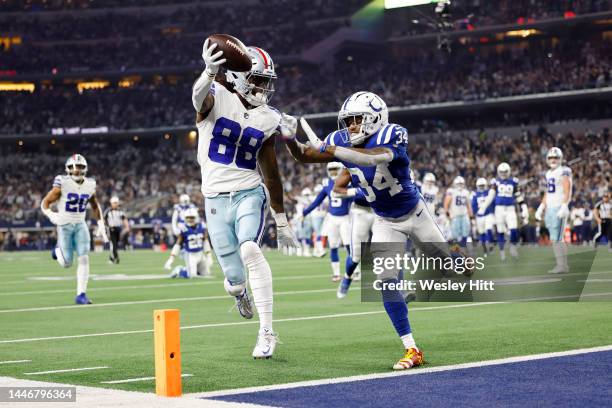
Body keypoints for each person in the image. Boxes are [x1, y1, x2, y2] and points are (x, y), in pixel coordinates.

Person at [281, 91, 469, 370]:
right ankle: (411, 348)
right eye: (348, 121)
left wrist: (332, 150)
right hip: (384, 219)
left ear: (375, 119)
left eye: (357, 120)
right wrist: (289, 140)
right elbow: (305, 156)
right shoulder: (341, 140)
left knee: (453, 266)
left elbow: (371, 159)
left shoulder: (392, 134)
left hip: (415, 214)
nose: (351, 127)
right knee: (384, 279)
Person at [192, 38, 298, 358]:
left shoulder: (268, 117)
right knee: (235, 279)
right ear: (239, 75)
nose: (264, 88)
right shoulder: (218, 95)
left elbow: (271, 171)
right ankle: (239, 293)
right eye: (258, 80)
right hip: (214, 197)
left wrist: (281, 219)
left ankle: (267, 332)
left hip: (249, 192)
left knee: (251, 249)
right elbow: (198, 101)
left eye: (267, 81)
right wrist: (209, 73)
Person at [40, 154, 109, 304]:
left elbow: (95, 205)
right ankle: (57, 250)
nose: (76, 170)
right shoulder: (62, 182)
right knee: (66, 263)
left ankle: (81, 295)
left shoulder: (90, 184)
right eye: (72, 167)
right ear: (68, 169)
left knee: (84, 258)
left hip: (80, 224)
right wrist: (52, 215)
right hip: (64, 225)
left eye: (79, 167)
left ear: (85, 168)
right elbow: (44, 203)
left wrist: (101, 224)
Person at [302, 162, 354, 281]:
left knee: (348, 247)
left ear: (341, 169)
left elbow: (358, 197)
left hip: (346, 218)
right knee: (333, 247)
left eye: (336, 169)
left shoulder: (349, 182)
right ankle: (336, 274)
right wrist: (305, 212)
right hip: (332, 218)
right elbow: (317, 201)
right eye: (331, 169)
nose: (334, 172)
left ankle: (354, 271)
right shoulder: (327, 183)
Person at [479, 163, 528, 261]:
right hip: (499, 209)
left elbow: (518, 195)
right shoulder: (495, 182)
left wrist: (524, 207)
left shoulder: (513, 181)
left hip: (510, 208)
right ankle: (502, 251)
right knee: (500, 230)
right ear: (498, 172)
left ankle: (513, 247)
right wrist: (483, 207)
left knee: (513, 229)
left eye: (505, 172)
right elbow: (491, 195)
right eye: (502, 172)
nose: (503, 174)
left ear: (508, 171)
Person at [535, 147, 572, 273]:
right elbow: (548, 192)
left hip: (559, 207)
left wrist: (564, 205)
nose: (553, 160)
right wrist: (542, 206)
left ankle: (562, 265)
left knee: (558, 238)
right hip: (550, 207)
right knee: (555, 238)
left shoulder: (564, 171)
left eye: (555, 157)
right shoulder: (548, 173)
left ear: (560, 158)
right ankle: (561, 265)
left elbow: (567, 189)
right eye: (551, 157)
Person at [164, 207, 212, 278]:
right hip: (190, 255)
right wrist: (171, 258)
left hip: (200, 253)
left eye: (192, 217)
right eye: (188, 218)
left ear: (196, 217)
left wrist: (209, 255)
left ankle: (194, 269)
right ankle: (180, 270)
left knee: (206, 274)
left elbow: (205, 241)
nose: (189, 219)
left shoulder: (202, 226)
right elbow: (178, 245)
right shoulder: (184, 229)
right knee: (192, 276)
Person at [443, 176, 473, 248]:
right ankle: (457, 251)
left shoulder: (466, 192)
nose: (460, 185)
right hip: (455, 215)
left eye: (461, 184)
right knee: (456, 235)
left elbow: (468, 205)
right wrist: (447, 213)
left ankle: (463, 248)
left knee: (465, 233)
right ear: (455, 184)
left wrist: (471, 215)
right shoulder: (451, 191)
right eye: (458, 184)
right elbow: (446, 203)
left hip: (464, 214)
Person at [472, 178, 494, 255]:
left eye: (482, 185)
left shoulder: (489, 193)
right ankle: (485, 249)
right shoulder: (475, 194)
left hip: (488, 214)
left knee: (489, 229)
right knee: (482, 233)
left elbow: (492, 202)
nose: (481, 187)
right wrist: (474, 214)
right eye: (480, 186)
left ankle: (491, 244)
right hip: (479, 216)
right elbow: (474, 205)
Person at [104, 196, 130, 264]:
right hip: (111, 229)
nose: (115, 204)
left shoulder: (120, 211)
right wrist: (106, 229)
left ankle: (111, 258)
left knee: (115, 245)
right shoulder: (108, 211)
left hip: (118, 229)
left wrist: (127, 227)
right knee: (113, 244)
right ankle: (116, 258)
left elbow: (124, 219)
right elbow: (104, 220)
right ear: (111, 203)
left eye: (116, 203)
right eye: (114, 203)